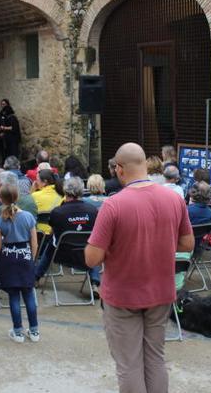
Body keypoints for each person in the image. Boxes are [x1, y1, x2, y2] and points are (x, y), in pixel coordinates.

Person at [85, 143, 195, 393]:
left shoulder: (113, 205)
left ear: (119, 169)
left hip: (122, 295)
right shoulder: (173, 198)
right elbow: (187, 243)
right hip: (160, 292)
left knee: (129, 365)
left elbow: (92, 259)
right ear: (145, 164)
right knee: (155, 358)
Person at [0, 181, 40, 344]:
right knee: (29, 295)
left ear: (2, 199)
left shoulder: (0, 220)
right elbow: (34, 243)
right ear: (18, 196)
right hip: (25, 257)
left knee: (14, 296)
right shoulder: (28, 217)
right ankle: (34, 330)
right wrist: (32, 260)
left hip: (8, 259)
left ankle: (18, 331)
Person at [34, 176, 101, 285]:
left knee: (52, 243)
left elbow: (52, 231)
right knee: (94, 244)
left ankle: (35, 277)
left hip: (62, 255)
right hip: (85, 255)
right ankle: (95, 282)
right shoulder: (93, 211)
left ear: (65, 191)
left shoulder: (57, 212)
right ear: (81, 191)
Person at [31, 168, 62, 235]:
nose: (35, 182)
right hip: (57, 233)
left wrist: (32, 190)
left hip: (40, 234)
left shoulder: (34, 196)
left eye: (37, 180)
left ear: (45, 182)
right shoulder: (62, 194)